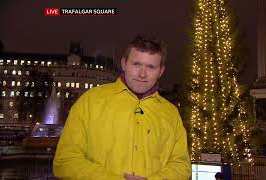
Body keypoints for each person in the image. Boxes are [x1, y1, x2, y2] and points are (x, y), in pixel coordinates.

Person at [53, 34, 191, 180]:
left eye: (151, 67)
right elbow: (65, 161)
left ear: (161, 71)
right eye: (136, 64)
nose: (142, 74)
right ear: (124, 64)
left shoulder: (170, 113)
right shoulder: (90, 101)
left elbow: (181, 165)